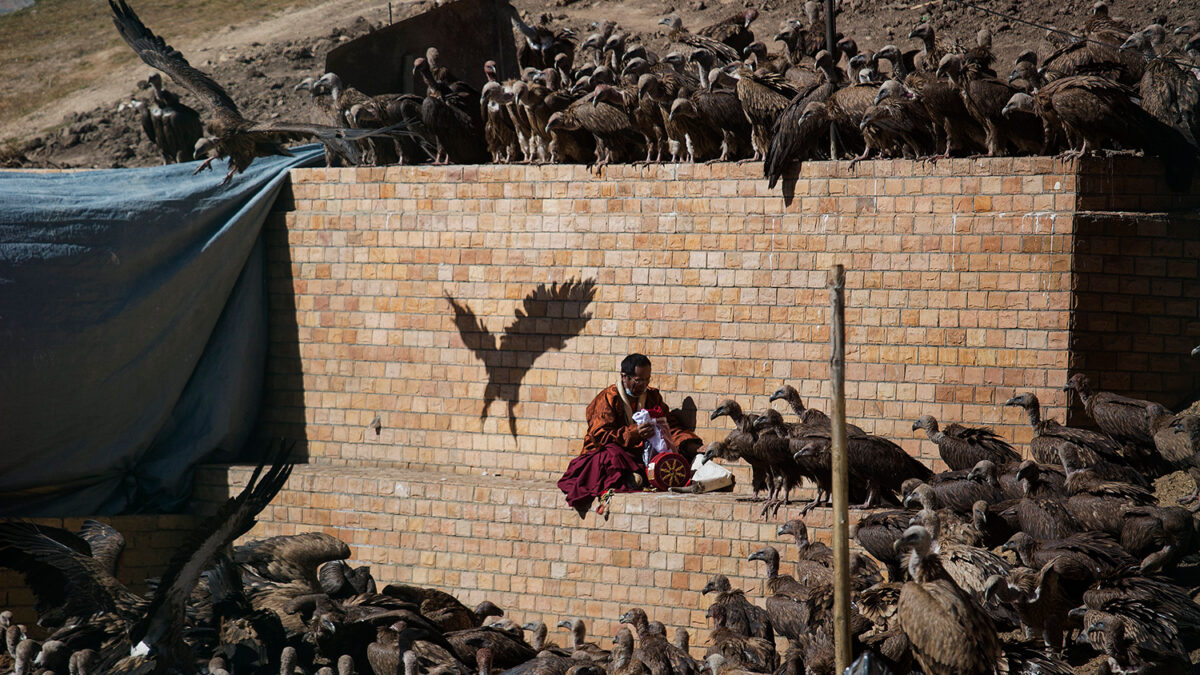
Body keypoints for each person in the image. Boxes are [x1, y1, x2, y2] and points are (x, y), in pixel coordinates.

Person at [557, 353, 703, 517]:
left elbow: (668, 427)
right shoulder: (608, 399)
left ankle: (636, 476)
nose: (643, 385)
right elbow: (599, 436)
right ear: (624, 377)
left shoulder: (652, 397)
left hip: (641, 454)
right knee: (610, 455)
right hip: (612, 451)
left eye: (647, 380)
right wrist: (633, 433)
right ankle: (631, 477)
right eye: (638, 380)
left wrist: (688, 443)